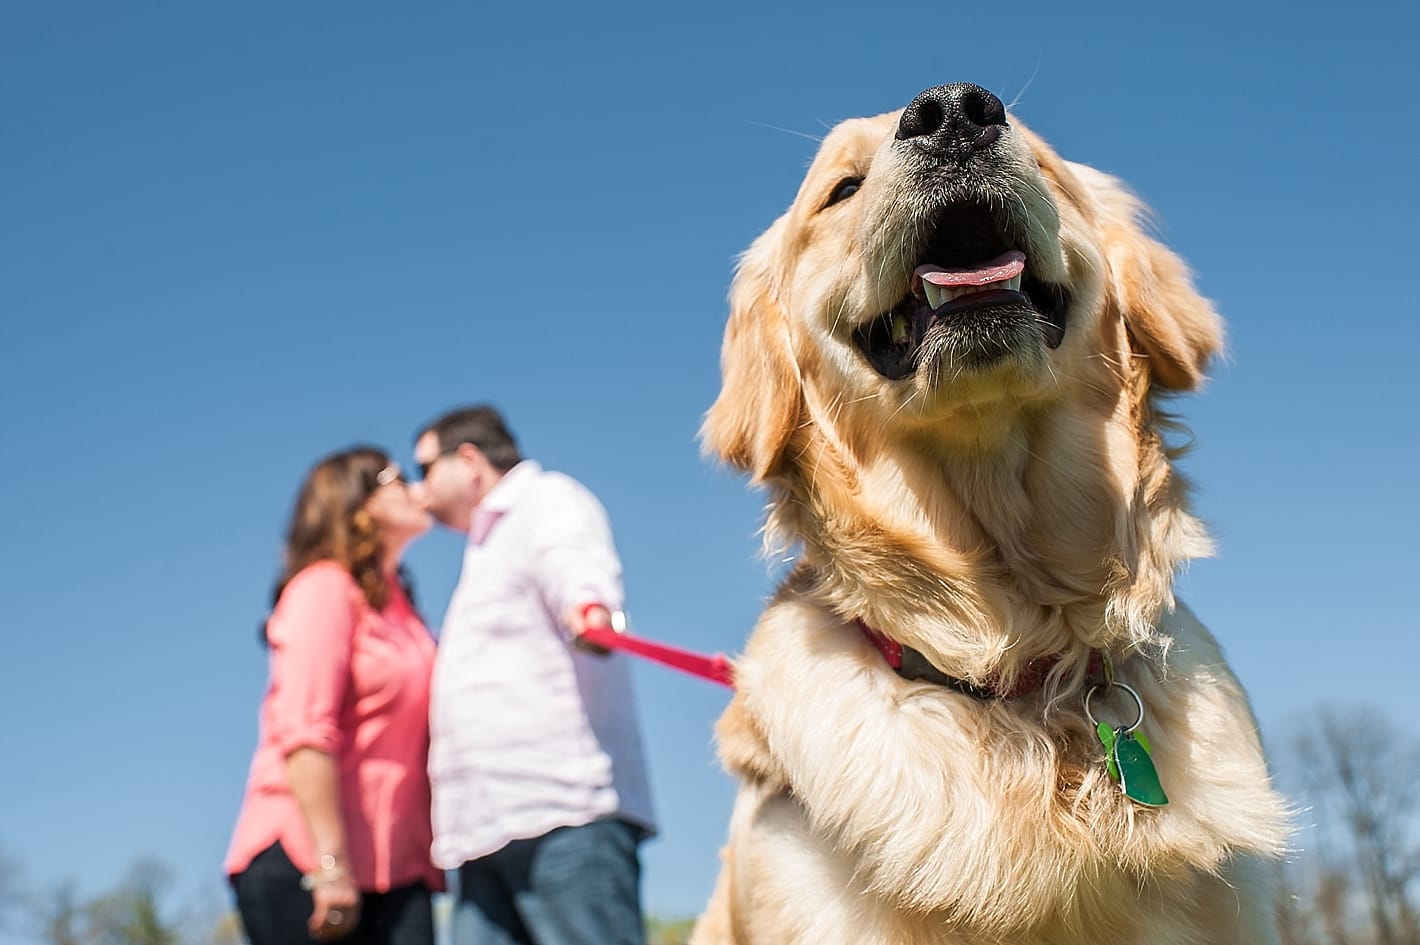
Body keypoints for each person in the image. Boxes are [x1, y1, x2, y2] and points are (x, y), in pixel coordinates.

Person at [413, 405, 656, 945]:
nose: (418, 489)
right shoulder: (485, 545)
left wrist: (589, 612)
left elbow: (576, 569)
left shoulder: (545, 500)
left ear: (470, 460)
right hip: (481, 828)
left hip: (561, 815)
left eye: (425, 468)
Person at [226, 447, 445, 945]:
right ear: (358, 504)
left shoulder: (403, 611)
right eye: (395, 478)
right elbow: (304, 730)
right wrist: (330, 864)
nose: (415, 488)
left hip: (397, 865)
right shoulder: (324, 587)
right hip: (308, 859)